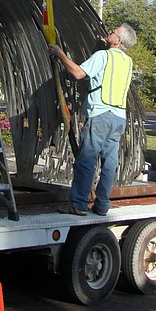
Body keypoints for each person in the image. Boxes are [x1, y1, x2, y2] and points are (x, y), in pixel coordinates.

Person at [49, 23, 137, 216]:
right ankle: (102, 205)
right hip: (118, 117)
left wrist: (60, 54)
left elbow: (79, 73)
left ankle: (79, 204)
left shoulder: (103, 56)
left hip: (100, 115)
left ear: (118, 40)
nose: (110, 32)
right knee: (109, 162)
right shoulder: (127, 61)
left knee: (86, 160)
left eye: (113, 32)